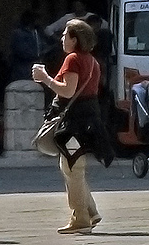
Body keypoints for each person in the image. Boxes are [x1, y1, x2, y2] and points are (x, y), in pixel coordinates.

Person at [32, 18, 113, 234]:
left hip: (74, 123)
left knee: (72, 167)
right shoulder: (92, 61)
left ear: (74, 39)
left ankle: (80, 219)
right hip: (88, 120)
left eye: (64, 35)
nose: (61, 39)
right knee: (74, 166)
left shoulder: (73, 59)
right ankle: (91, 212)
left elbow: (67, 91)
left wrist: (44, 78)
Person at [9, 10, 46, 86]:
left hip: (37, 70)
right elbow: (22, 52)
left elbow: (42, 46)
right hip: (23, 72)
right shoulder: (18, 34)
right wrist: (37, 55)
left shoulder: (36, 33)